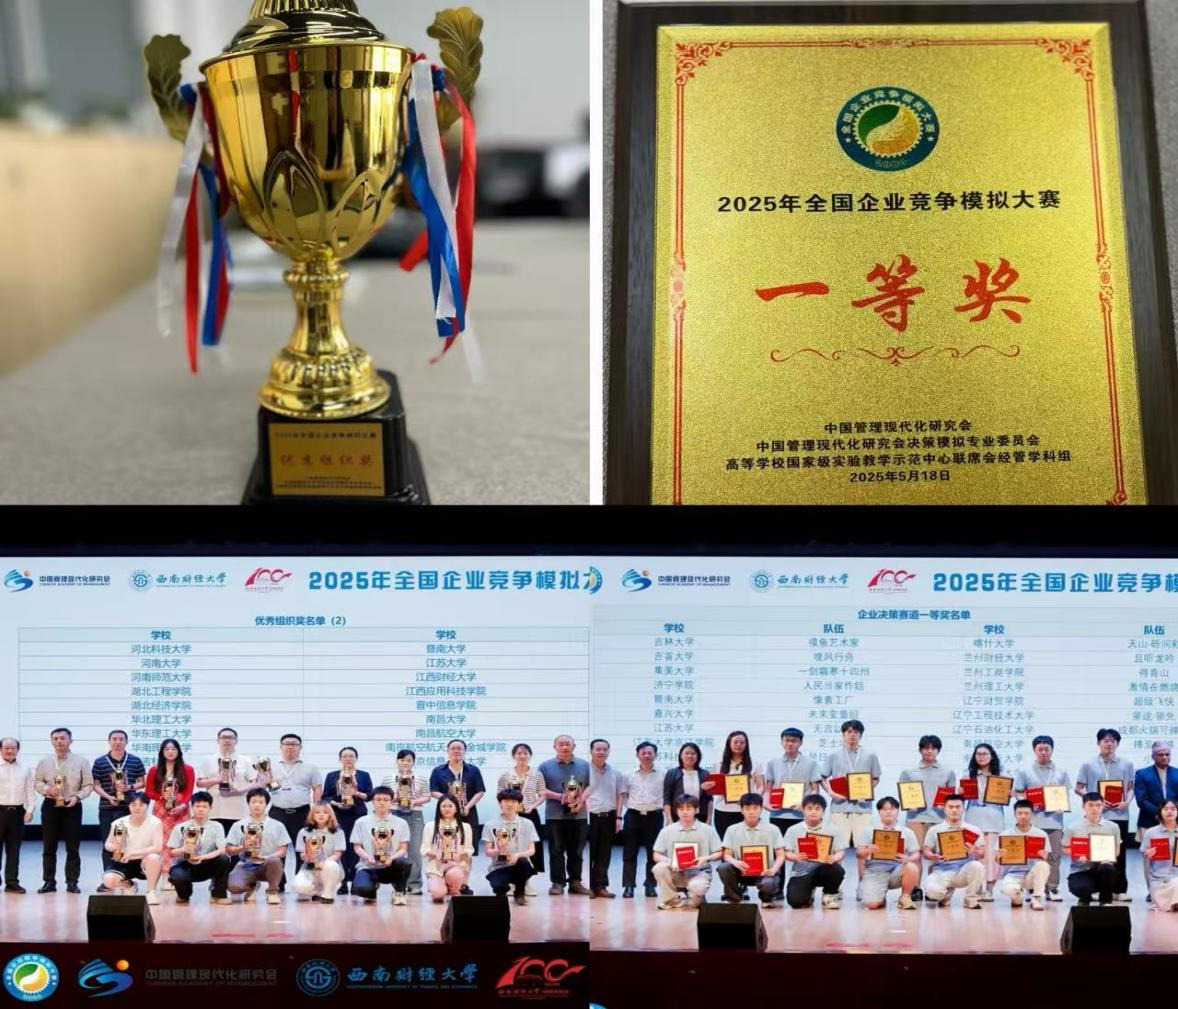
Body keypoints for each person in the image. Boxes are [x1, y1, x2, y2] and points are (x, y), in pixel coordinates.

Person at [1075, 728, 1135, 901]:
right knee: (1095, 853)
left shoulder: (1127, 764)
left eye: (1113, 740)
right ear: (1098, 743)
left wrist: (1127, 802)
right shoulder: (1088, 764)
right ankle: (1096, 888)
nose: (1109, 743)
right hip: (1096, 816)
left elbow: (1131, 788)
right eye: (1105, 740)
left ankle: (1120, 889)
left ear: (1117, 744)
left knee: (1119, 853)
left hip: (1120, 814)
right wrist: (1095, 800)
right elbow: (1078, 788)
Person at [820, 720, 881, 889]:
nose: (852, 735)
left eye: (855, 732)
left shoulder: (870, 755)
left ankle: (863, 886)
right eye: (848, 732)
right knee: (837, 849)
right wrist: (830, 792)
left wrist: (867, 791)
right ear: (843, 734)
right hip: (839, 808)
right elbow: (822, 777)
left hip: (862, 809)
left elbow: (876, 778)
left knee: (863, 850)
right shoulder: (834, 755)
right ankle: (835, 888)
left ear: (861, 735)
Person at [763, 728, 821, 901]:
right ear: (781, 741)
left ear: (800, 742)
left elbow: (815, 789)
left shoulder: (810, 763)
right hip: (778, 815)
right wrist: (766, 803)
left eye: (794, 740)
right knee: (778, 853)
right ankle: (777, 889)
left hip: (801, 816)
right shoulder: (773, 763)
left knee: (805, 853)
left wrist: (805, 804)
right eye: (786, 740)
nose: (790, 743)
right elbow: (768, 788)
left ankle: (806, 888)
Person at [33, 727, 92, 894]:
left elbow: (88, 785)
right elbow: (37, 782)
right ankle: (49, 882)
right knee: (48, 846)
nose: (59, 741)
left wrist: (77, 797)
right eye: (56, 738)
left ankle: (72, 882)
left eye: (62, 738)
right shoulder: (45, 761)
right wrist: (47, 789)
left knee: (73, 847)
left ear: (70, 740)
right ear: (52, 741)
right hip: (50, 805)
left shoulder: (81, 761)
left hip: (72, 805)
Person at [1013, 734, 1071, 902]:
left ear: (1052, 750)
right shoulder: (1025, 771)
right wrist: (1028, 805)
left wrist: (1062, 804)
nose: (1044, 752)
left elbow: (1065, 793)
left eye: (1047, 749)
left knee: (1054, 856)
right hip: (1032, 822)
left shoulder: (1061, 771)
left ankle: (1052, 888)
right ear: (1034, 750)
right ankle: (1031, 888)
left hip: (1054, 821)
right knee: (1032, 855)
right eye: (1040, 749)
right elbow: (1018, 792)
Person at [898, 733, 956, 900]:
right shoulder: (909, 772)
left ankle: (933, 888)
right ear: (920, 750)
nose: (929, 751)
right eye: (926, 748)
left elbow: (951, 797)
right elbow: (903, 795)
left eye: (933, 748)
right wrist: (908, 804)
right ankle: (915, 888)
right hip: (915, 818)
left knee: (936, 857)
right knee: (915, 855)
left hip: (939, 819)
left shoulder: (948, 772)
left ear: (938, 750)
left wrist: (946, 805)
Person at [90, 730, 147, 891]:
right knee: (108, 844)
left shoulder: (135, 760)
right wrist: (108, 796)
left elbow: (142, 782)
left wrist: (129, 787)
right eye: (114, 739)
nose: (117, 742)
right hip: (107, 807)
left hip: (129, 809)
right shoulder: (100, 761)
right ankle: (108, 880)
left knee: (128, 843)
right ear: (109, 741)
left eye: (121, 739)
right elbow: (96, 784)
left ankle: (124, 877)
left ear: (126, 742)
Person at [429, 739, 486, 894]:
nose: (456, 751)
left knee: (467, 850)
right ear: (448, 751)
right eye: (453, 748)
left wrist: (467, 806)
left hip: (468, 813)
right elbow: (433, 791)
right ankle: (445, 881)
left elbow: (480, 791)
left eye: (460, 748)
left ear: (465, 751)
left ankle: (462, 884)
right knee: (444, 846)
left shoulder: (473, 770)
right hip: (446, 813)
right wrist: (449, 801)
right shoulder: (438, 771)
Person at [267, 733, 323, 892]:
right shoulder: (271, 767)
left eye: (294, 744)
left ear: (300, 747)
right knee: (277, 850)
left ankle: (302, 883)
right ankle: (278, 883)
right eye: (287, 743)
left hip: (302, 813)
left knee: (303, 850)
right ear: (281, 746)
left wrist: (316, 809)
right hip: (277, 812)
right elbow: (267, 786)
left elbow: (317, 788)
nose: (290, 747)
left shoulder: (310, 767)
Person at [538, 735, 591, 896]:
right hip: (554, 816)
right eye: (561, 744)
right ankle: (557, 883)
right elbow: (540, 789)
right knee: (556, 851)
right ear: (554, 746)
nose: (564, 747)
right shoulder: (545, 766)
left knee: (577, 852)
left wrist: (580, 800)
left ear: (574, 746)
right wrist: (560, 797)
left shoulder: (584, 765)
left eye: (568, 744)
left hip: (579, 815)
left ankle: (575, 882)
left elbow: (590, 786)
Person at [651, 794, 722, 910]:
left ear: (696, 810)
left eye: (688, 809)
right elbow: (656, 855)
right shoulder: (667, 831)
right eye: (681, 809)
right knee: (659, 867)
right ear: (676, 811)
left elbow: (719, 853)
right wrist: (670, 862)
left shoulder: (708, 830)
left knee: (696, 899)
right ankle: (671, 899)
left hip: (699, 872)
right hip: (676, 872)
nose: (684, 812)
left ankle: (698, 896)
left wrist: (706, 858)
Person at [718, 793, 785, 908]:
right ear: (741, 810)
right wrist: (735, 862)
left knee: (769, 883)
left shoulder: (773, 829)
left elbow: (780, 855)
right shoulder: (732, 829)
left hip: (765, 872)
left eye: (755, 808)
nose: (751, 812)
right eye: (747, 808)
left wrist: (774, 869)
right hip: (741, 870)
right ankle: (734, 898)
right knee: (724, 867)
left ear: (761, 809)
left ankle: (766, 898)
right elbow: (726, 855)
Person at [226, 787, 292, 905]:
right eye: (253, 802)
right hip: (246, 864)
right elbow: (229, 850)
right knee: (233, 887)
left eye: (261, 802)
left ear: (266, 804)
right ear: (248, 803)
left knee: (275, 860)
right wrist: (243, 847)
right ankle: (251, 886)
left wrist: (267, 858)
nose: (257, 805)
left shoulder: (277, 825)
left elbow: (283, 850)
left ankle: (272, 892)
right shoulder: (238, 825)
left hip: (267, 864)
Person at [144, 738, 194, 890]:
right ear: (162, 752)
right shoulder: (154, 770)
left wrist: (182, 805)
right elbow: (149, 791)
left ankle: (179, 874)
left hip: (181, 809)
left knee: (180, 842)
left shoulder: (187, 769)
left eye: (173, 749)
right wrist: (162, 797)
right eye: (167, 749)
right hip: (161, 809)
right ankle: (165, 875)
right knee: (163, 843)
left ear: (179, 751)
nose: (170, 752)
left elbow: (189, 791)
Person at [498, 742, 548, 892]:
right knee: (509, 846)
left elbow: (543, 794)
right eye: (519, 753)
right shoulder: (506, 775)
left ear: (530, 755)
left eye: (525, 753)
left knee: (530, 847)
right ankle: (511, 882)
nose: (522, 756)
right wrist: (508, 808)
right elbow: (500, 795)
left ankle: (526, 883)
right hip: (510, 815)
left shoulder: (536, 774)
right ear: (513, 756)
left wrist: (532, 805)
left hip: (530, 814)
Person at [166, 790, 231, 905]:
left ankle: (218, 894)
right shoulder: (181, 827)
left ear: (210, 807)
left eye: (204, 806)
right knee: (178, 876)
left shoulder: (217, 826)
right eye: (197, 806)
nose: (201, 809)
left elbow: (222, 849)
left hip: (207, 863)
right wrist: (184, 849)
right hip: (185, 864)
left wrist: (204, 857)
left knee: (224, 859)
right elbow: (171, 852)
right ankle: (184, 894)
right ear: (192, 807)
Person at [782, 794, 846, 909]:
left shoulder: (832, 829)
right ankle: (809, 891)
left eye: (817, 809)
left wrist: (833, 858)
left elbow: (841, 851)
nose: (813, 812)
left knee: (836, 870)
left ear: (823, 811)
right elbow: (785, 852)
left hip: (824, 869)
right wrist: (795, 857)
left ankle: (829, 894)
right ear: (803, 810)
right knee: (796, 902)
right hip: (802, 871)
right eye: (809, 808)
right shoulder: (793, 830)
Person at [855, 796, 919, 910]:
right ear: (879, 811)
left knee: (912, 867)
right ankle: (879, 895)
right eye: (884, 809)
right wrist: (867, 850)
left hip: (896, 871)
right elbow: (859, 854)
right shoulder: (868, 830)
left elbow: (916, 854)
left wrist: (908, 859)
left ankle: (905, 897)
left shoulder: (907, 832)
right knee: (872, 904)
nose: (888, 812)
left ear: (898, 811)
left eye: (892, 809)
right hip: (875, 872)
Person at [351, 786, 412, 905]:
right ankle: (371, 890)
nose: (382, 803)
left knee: (404, 863)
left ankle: (399, 892)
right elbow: (357, 847)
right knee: (362, 889)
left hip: (390, 866)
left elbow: (403, 848)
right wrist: (368, 857)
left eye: (386, 800)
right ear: (372, 802)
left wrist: (391, 858)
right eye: (378, 799)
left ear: (391, 802)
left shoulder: (402, 823)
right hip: (369, 866)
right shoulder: (361, 822)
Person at [922, 794, 986, 909]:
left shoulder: (974, 830)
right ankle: (946, 894)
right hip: (941, 871)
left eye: (958, 807)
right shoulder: (934, 830)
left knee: (978, 866)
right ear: (944, 809)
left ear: (963, 809)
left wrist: (974, 851)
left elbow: (982, 854)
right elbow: (926, 852)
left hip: (963, 871)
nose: (954, 810)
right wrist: (934, 856)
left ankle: (970, 899)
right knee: (932, 893)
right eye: (950, 807)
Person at [381, 749, 429, 896]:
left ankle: (414, 884)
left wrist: (414, 801)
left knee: (414, 851)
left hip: (415, 814)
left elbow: (427, 796)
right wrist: (396, 796)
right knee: (394, 849)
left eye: (409, 760)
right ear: (397, 761)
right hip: (394, 813)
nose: (405, 763)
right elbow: (383, 797)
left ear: (413, 762)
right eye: (402, 760)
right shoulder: (389, 778)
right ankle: (398, 884)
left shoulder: (421, 778)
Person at [324, 745, 372, 895]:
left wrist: (356, 793)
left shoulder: (363, 775)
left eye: (351, 756)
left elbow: (369, 796)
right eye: (345, 756)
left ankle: (358, 881)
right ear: (340, 759)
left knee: (357, 848)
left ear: (356, 758)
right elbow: (326, 797)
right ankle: (343, 883)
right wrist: (336, 804)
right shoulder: (332, 775)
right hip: (339, 815)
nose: (348, 759)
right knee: (341, 848)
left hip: (358, 815)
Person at [101, 792, 164, 904]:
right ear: (128, 806)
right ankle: (129, 885)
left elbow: (158, 847)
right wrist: (115, 846)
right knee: (108, 880)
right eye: (133, 805)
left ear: (147, 806)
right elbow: (107, 844)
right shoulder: (118, 823)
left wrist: (132, 853)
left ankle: (151, 892)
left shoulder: (155, 822)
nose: (137, 808)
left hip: (144, 861)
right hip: (124, 860)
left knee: (154, 858)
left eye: (141, 805)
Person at [195, 727, 257, 841]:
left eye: (230, 737)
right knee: (215, 846)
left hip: (238, 811)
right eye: (223, 737)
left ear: (236, 740)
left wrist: (240, 791)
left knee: (237, 845)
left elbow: (254, 782)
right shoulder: (208, 760)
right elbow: (199, 783)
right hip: (214, 811)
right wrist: (218, 779)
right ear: (218, 740)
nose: (227, 740)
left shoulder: (246, 760)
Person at [482, 787, 539, 905]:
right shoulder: (490, 825)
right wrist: (497, 851)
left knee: (523, 862)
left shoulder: (527, 824)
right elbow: (487, 851)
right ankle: (502, 891)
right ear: (500, 803)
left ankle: (519, 892)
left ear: (519, 804)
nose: (509, 804)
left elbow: (532, 850)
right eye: (506, 801)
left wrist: (517, 855)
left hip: (520, 864)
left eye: (513, 801)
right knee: (498, 886)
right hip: (499, 865)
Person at [1063, 791, 1122, 906]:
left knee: (1108, 869)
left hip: (1102, 867)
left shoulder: (1113, 827)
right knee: (1081, 888)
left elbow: (1117, 850)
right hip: (1081, 870)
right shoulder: (1072, 827)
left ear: (1103, 806)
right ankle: (1085, 897)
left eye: (1098, 805)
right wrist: (1078, 853)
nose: (1095, 809)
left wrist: (1109, 858)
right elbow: (1064, 848)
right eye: (1090, 805)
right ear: (1083, 807)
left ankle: (1105, 901)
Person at [1135, 740, 1177, 897]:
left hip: (1174, 822)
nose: (1164, 757)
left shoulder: (1177, 773)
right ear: (1153, 756)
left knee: (1173, 857)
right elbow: (1141, 799)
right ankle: (1152, 892)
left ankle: (1173, 889)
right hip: (1149, 822)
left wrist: (1171, 813)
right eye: (1160, 755)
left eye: (1167, 754)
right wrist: (1160, 814)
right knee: (1150, 858)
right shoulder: (1142, 773)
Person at [621, 741, 663, 898]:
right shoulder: (628, 774)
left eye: (650, 753)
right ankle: (628, 886)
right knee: (629, 853)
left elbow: (666, 796)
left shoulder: (663, 775)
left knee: (653, 853)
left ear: (655, 755)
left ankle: (650, 886)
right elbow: (624, 795)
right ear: (637, 755)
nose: (646, 756)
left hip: (655, 816)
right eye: (643, 753)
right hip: (633, 815)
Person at [964, 742, 1005, 901]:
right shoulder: (968, 777)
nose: (981, 757)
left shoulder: (1001, 777)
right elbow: (960, 800)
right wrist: (960, 794)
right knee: (974, 854)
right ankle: (977, 888)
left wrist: (1009, 793)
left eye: (984, 754)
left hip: (993, 819)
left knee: (991, 857)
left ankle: (989, 889)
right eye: (978, 754)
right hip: (973, 819)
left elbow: (1007, 797)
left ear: (992, 756)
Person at [996, 799, 1050, 910]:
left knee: (1043, 865)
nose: (1023, 816)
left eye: (1026, 813)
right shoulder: (1005, 834)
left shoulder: (1041, 834)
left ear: (1032, 814)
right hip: (1013, 874)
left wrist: (1044, 857)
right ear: (1014, 814)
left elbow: (1046, 858)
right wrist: (998, 857)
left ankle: (1036, 898)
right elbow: (997, 860)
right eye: (1020, 813)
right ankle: (1018, 896)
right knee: (1011, 894)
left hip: (1031, 874)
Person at [711, 731, 764, 842]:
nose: (738, 745)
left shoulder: (755, 763)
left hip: (747, 810)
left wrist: (752, 800)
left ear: (746, 744)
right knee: (726, 843)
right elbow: (714, 787)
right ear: (729, 744)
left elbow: (761, 786)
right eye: (735, 742)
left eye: (742, 742)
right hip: (723, 810)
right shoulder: (719, 764)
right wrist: (708, 787)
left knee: (747, 843)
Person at [586, 738, 623, 898]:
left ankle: (600, 886)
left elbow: (620, 796)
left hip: (609, 817)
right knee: (589, 853)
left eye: (605, 749)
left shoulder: (616, 773)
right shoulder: (583, 771)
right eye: (598, 749)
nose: (601, 752)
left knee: (604, 853)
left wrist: (618, 817)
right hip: (589, 818)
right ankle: (588, 886)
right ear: (591, 751)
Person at [291, 802, 346, 903]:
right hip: (310, 867)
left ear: (330, 815)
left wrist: (322, 863)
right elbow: (301, 854)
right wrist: (308, 857)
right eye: (317, 812)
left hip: (330, 867)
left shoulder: (338, 832)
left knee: (331, 865)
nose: (321, 815)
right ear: (312, 815)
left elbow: (337, 854)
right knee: (299, 886)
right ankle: (317, 891)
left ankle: (327, 893)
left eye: (325, 812)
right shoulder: (303, 832)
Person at [422, 795, 473, 902]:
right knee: (438, 895)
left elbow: (469, 849)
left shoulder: (465, 827)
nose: (447, 809)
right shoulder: (430, 826)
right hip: (436, 866)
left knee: (454, 875)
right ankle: (440, 885)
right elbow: (424, 849)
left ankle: (453, 889)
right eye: (444, 806)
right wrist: (434, 854)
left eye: (450, 806)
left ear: (456, 808)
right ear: (439, 808)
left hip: (456, 865)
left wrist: (461, 854)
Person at [0, 737, 34, 893]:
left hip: (17, 813)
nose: (9, 750)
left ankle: (12, 882)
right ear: (1, 749)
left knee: (14, 850)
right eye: (6, 748)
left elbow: (30, 791)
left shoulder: (25, 768)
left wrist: (30, 810)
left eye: (13, 748)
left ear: (17, 750)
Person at [1140, 797, 1178, 911]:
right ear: (1160, 812)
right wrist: (1147, 855)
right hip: (1160, 882)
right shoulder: (1151, 832)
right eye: (1165, 809)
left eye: (1173, 809)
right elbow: (1146, 866)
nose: (1169, 811)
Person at [662, 742, 712, 826]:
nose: (690, 756)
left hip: (700, 817)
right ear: (681, 756)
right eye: (686, 753)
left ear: (698, 756)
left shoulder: (705, 774)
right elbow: (666, 798)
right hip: (677, 817)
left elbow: (709, 799)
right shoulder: (672, 773)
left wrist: (709, 818)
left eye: (693, 753)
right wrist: (669, 820)